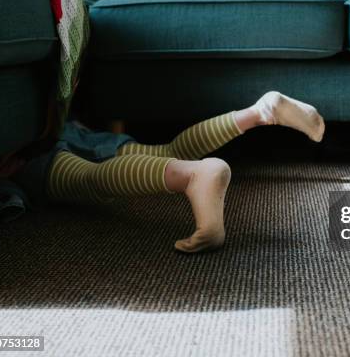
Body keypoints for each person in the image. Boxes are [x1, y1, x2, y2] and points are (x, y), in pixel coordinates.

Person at [18, 92, 324, 253]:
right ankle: (260, 112)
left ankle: (192, 176)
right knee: (169, 150)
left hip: (22, 156)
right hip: (68, 129)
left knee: (87, 179)